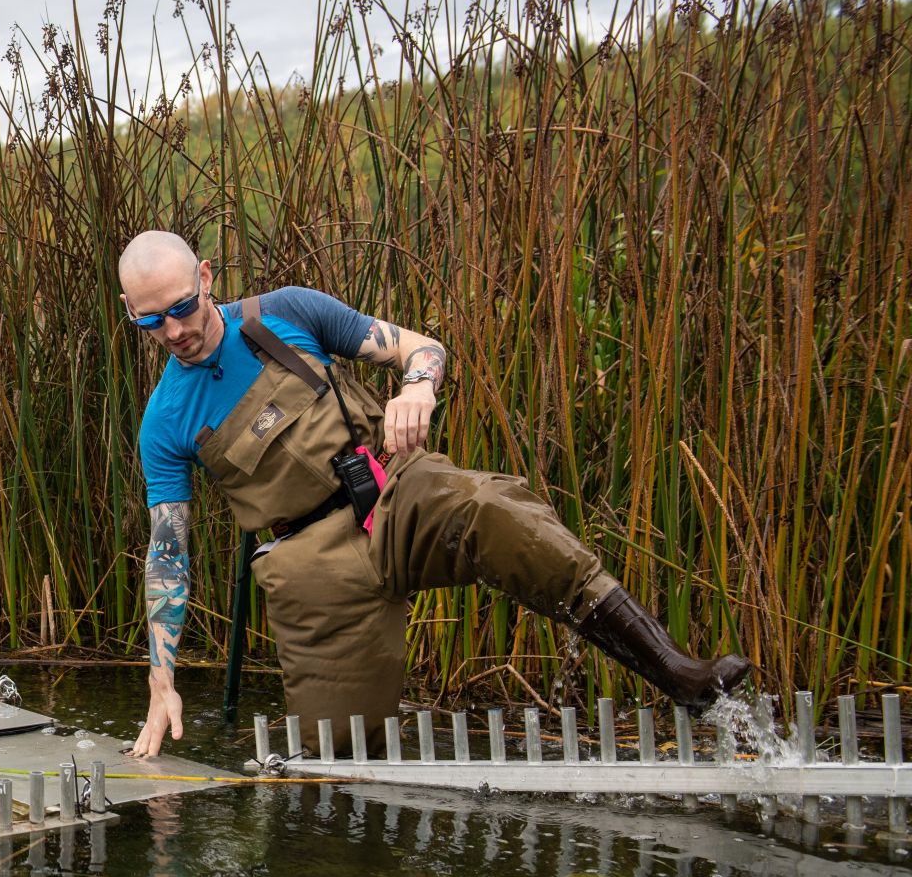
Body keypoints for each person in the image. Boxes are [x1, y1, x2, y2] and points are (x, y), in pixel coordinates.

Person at [121, 229, 750, 760]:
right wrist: (161, 681)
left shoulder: (285, 312)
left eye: (182, 307)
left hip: (394, 493)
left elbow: (424, 348)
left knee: (497, 512)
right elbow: (167, 556)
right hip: (312, 570)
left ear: (206, 277)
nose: (174, 330)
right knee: (334, 767)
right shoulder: (163, 422)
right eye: (151, 321)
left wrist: (418, 388)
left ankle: (676, 673)